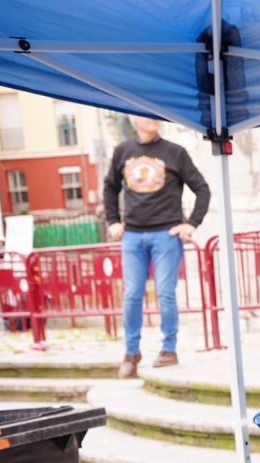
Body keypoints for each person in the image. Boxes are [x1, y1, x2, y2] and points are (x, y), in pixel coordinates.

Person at [103, 116, 210, 379]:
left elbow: (202, 189)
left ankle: (169, 349)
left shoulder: (175, 152)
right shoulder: (123, 151)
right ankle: (131, 354)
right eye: (145, 114)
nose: (152, 118)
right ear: (134, 118)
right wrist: (113, 221)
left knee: (165, 293)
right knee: (132, 295)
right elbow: (110, 188)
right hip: (133, 236)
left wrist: (191, 224)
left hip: (166, 235)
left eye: (155, 114)